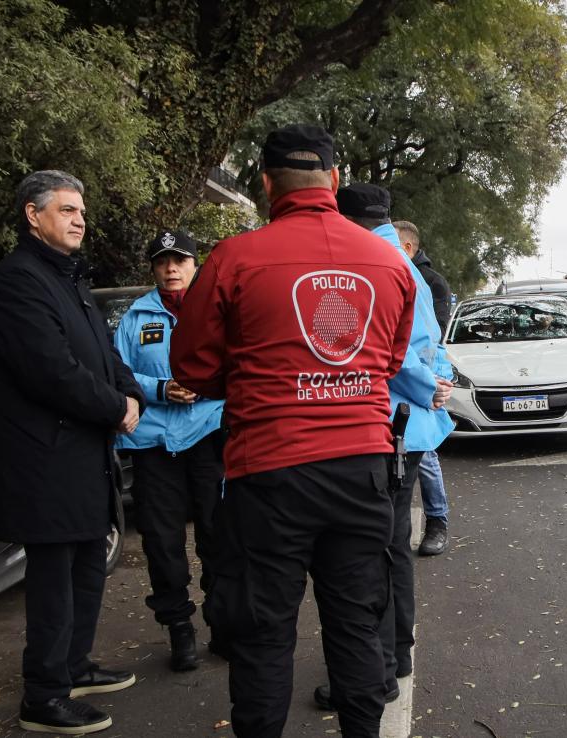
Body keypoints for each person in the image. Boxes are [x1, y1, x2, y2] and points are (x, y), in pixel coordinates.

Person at [169, 125, 426, 738]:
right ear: (335, 181)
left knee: (263, 635)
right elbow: (389, 364)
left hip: (269, 474)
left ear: (264, 183)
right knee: (357, 627)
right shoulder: (391, 263)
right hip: (362, 469)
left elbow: (193, 370)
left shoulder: (234, 257)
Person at [0, 170, 144, 735]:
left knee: (87, 570)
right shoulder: (16, 282)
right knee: (53, 583)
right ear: (33, 214)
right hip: (43, 462)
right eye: (67, 210)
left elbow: (104, 353)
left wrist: (132, 393)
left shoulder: (68, 279)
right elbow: (52, 372)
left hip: (82, 457)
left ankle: (74, 667)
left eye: (81, 211)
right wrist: (115, 408)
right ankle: (44, 696)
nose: (79, 220)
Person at [314, 186, 453, 709]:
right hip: (408, 426)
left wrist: (426, 386)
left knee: (380, 549)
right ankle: (394, 656)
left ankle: (380, 668)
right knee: (388, 545)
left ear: (347, 219)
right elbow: (429, 344)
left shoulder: (375, 263)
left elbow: (388, 350)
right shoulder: (401, 261)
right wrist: (435, 384)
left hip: (394, 428)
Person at [113, 230, 226, 672]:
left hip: (207, 438)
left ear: (195, 264)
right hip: (154, 444)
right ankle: (179, 626)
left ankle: (222, 624)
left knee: (219, 537)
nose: (171, 269)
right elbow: (117, 373)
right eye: (162, 262)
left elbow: (239, 366)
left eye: (179, 260)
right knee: (162, 543)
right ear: (153, 268)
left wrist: (204, 387)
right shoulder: (135, 318)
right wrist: (160, 389)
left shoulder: (217, 311)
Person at [392, 219, 452, 557]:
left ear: (408, 248)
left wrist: (432, 385)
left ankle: (437, 521)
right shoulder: (390, 273)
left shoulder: (430, 283)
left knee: (426, 455)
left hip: (423, 385)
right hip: (405, 386)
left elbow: (432, 340)